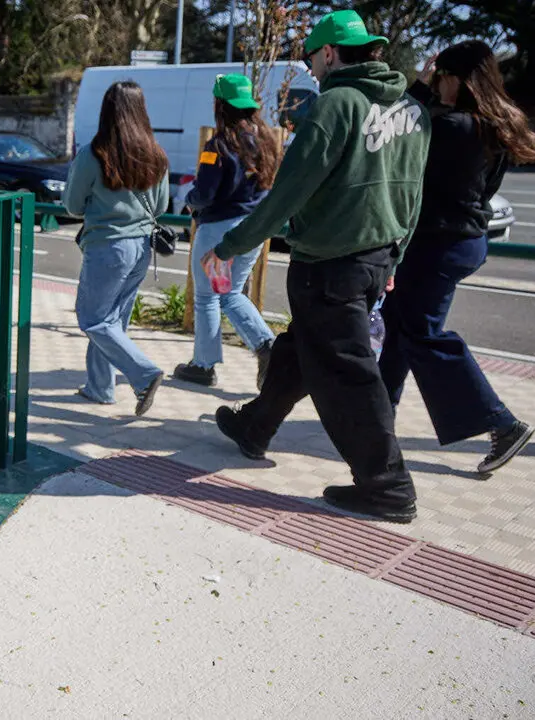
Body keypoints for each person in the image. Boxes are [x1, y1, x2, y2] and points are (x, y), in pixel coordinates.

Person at [203, 9, 430, 522]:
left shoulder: (334, 106)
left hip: (328, 264)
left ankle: (386, 484)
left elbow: (287, 194)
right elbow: (413, 193)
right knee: (301, 350)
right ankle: (254, 426)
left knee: (347, 375)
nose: (310, 70)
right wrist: (396, 254)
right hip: (375, 259)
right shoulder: (415, 111)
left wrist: (232, 244)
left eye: (311, 59)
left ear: (330, 53)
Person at [379, 40, 535, 474]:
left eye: (441, 79)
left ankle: (502, 424)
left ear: (456, 79)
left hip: (437, 244)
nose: (438, 88)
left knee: (422, 334)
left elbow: (392, 131)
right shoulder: (493, 125)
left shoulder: (451, 126)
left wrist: (416, 89)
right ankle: (376, 415)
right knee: (401, 326)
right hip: (465, 241)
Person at [63, 81, 170, 416]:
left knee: (94, 320)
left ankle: (144, 373)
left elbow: (72, 206)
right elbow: (163, 205)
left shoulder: (94, 154)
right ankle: (100, 388)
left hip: (108, 247)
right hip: (142, 248)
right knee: (113, 322)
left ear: (107, 111)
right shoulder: (156, 153)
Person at [174, 73, 280, 390]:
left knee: (208, 297)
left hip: (218, 231)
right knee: (232, 293)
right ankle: (267, 347)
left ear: (221, 104)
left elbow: (204, 193)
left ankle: (204, 366)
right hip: (253, 231)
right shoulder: (268, 142)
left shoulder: (217, 145)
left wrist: (188, 199)